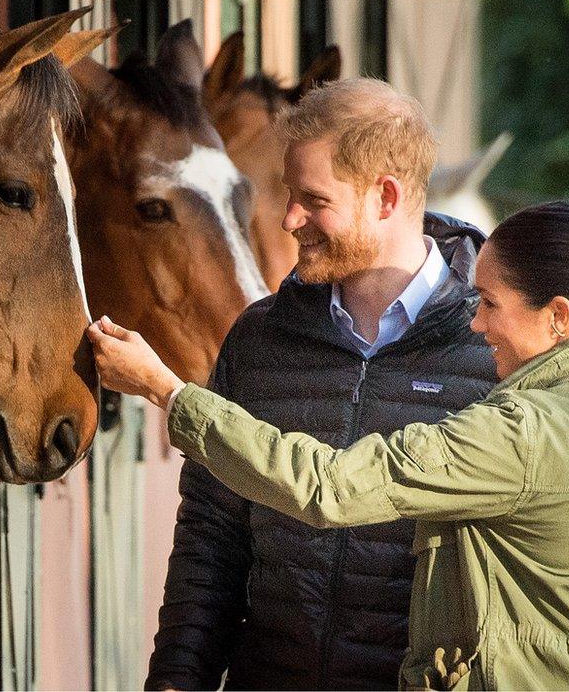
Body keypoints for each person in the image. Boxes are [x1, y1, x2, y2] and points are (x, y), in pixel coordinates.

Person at [87, 201, 569, 690]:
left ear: (560, 315)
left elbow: (328, 486)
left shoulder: (528, 431)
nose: (476, 323)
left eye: (488, 303)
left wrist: (169, 393)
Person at [138, 78, 496, 690]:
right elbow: (211, 535)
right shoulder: (259, 338)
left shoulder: (490, 351)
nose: (288, 219)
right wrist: (176, 677)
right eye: (287, 193)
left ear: (386, 197)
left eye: (313, 199)